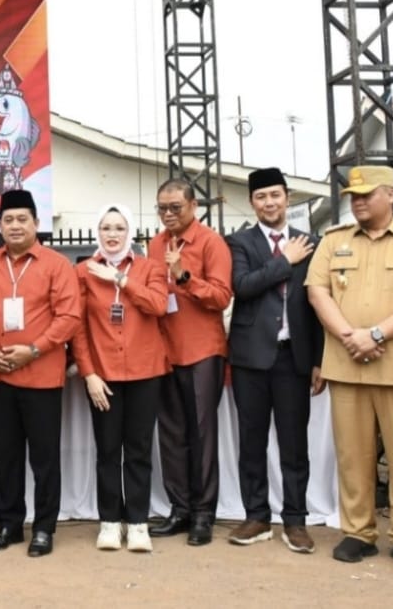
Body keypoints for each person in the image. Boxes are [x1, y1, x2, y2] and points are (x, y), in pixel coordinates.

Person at [306, 165, 393, 572]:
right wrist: (350, 336)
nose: (358, 201)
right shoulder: (334, 240)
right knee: (353, 456)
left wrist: (377, 334)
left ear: (391, 195)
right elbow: (317, 292)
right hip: (347, 364)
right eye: (354, 196)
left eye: (367, 194)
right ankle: (358, 532)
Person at [226, 168, 325, 553]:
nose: (269, 203)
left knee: (294, 443)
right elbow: (243, 286)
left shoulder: (311, 243)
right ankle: (256, 516)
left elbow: (319, 305)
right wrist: (285, 260)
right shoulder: (239, 242)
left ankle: (295, 520)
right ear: (252, 202)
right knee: (251, 441)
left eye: (275, 195)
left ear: (287, 197)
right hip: (250, 358)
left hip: (294, 358)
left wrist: (319, 360)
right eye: (261, 197)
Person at [0, 189, 82, 558]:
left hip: (41, 376)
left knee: (44, 458)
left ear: (37, 223)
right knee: (6, 457)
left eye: (23, 219)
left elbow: (69, 317)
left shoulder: (56, 264)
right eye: (8, 220)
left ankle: (43, 528)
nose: (15, 226)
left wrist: (34, 349)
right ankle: (9, 524)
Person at [70, 204, 168, 554]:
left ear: (130, 232)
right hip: (104, 375)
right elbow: (78, 328)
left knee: (139, 450)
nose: (112, 234)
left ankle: (138, 522)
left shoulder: (150, 268)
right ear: (97, 232)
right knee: (108, 450)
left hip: (145, 371)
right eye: (106, 228)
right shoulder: (83, 272)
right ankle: (110, 521)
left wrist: (120, 280)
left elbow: (158, 305)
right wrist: (89, 374)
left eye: (119, 228)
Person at [147, 178, 233, 546]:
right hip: (164, 351)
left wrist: (184, 276)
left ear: (193, 207)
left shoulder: (211, 242)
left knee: (201, 435)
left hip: (202, 351)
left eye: (175, 208)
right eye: (162, 208)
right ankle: (180, 508)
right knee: (171, 434)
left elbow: (222, 296)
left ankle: (203, 513)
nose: (168, 214)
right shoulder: (155, 244)